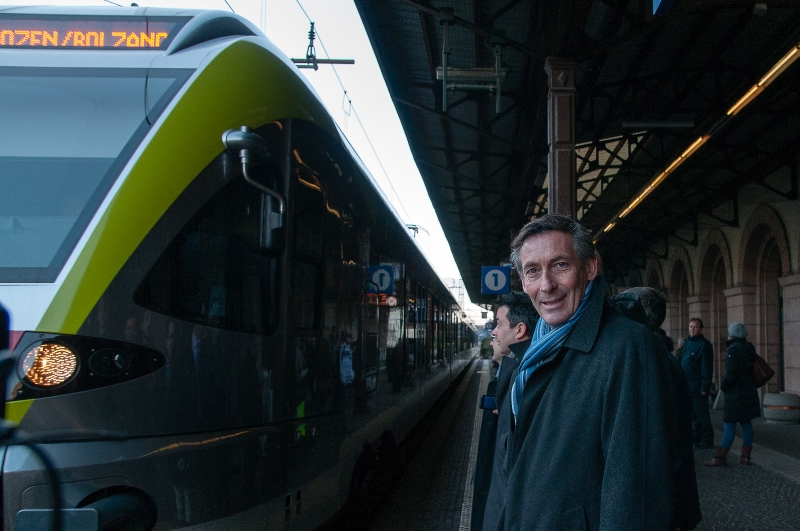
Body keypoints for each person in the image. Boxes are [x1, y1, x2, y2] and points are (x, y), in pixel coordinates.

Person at [491, 214, 696, 531]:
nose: (546, 285)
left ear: (589, 268)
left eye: (560, 265)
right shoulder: (541, 349)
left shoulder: (628, 348)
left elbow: (635, 495)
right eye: (533, 271)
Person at [473, 292, 536, 531]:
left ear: (519, 330)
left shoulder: (523, 383)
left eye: (499, 324)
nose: (493, 332)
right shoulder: (516, 377)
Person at [706, 322, 761, 467]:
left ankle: (720, 457)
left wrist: (723, 386)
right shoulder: (749, 348)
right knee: (746, 423)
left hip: (736, 393)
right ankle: (746, 457)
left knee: (729, 424)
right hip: (748, 390)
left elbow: (731, 374)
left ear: (732, 334)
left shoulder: (733, 350)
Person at [680, 317, 715, 450]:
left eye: (695, 327)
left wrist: (705, 387)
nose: (692, 329)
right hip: (688, 385)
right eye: (691, 327)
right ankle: (697, 438)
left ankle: (707, 439)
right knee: (694, 415)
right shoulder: (688, 343)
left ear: (701, 329)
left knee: (702, 415)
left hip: (698, 386)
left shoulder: (704, 345)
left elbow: (706, 367)